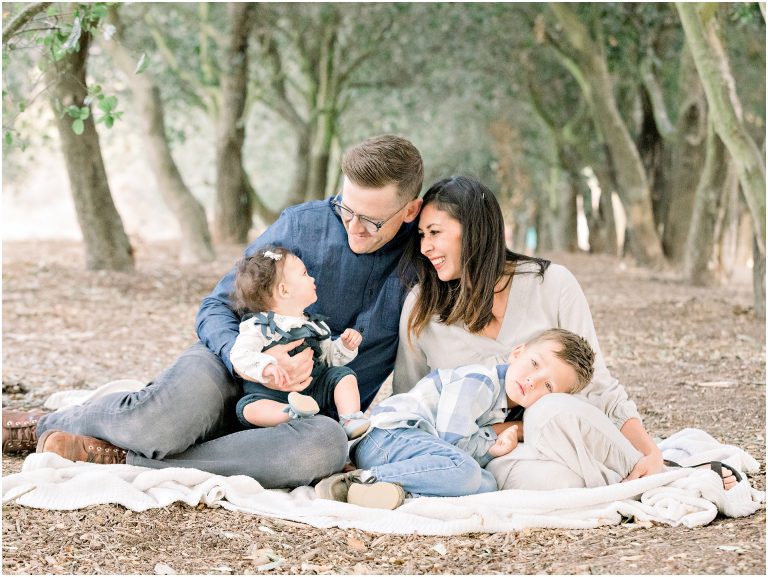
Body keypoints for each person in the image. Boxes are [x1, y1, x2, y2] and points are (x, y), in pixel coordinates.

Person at [1, 134, 424, 489]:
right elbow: (216, 308)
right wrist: (250, 364)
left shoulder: (428, 262)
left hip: (300, 414)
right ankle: (54, 422)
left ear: (410, 210)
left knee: (323, 449)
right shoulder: (302, 226)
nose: (353, 227)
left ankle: (125, 458)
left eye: (370, 220)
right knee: (163, 423)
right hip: (227, 368)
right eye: (345, 210)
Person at [391, 175, 739, 492]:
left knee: (551, 409)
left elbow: (599, 385)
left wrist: (650, 452)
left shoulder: (551, 284)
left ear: (475, 230)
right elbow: (411, 401)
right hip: (492, 455)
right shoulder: (421, 309)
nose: (425, 247)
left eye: (435, 232)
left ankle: (663, 471)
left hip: (564, 426)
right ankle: (654, 478)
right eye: (422, 236)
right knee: (563, 482)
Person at [314, 328, 596, 510]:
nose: (533, 380)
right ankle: (355, 481)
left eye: (548, 386)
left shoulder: (507, 404)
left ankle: (389, 491)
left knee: (486, 484)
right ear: (517, 353)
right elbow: (455, 447)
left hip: (410, 450)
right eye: (534, 364)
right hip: (387, 438)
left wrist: (493, 447)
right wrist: (494, 437)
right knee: (468, 471)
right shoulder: (479, 382)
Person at [230, 247, 369, 439]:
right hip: (271, 394)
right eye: (304, 274)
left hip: (314, 387)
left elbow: (327, 358)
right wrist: (266, 367)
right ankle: (292, 413)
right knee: (248, 408)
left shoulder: (314, 324)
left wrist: (345, 346)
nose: (312, 278)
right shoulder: (258, 326)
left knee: (344, 377)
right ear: (284, 290)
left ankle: (350, 419)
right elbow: (239, 355)